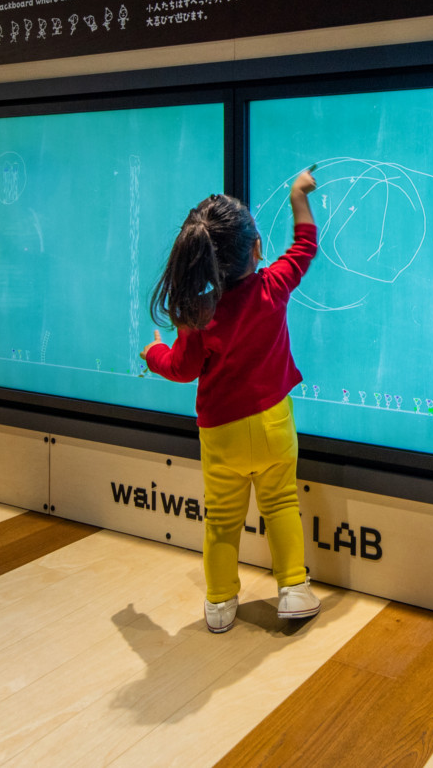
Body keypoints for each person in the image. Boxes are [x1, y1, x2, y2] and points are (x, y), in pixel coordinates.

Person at [141, 169, 319, 633]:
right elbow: (305, 247)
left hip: (220, 435)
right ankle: (293, 590)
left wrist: (153, 354)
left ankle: (220, 602)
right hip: (274, 424)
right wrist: (298, 196)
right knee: (281, 504)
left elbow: (181, 369)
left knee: (221, 520)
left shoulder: (198, 314)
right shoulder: (273, 287)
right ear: (257, 248)